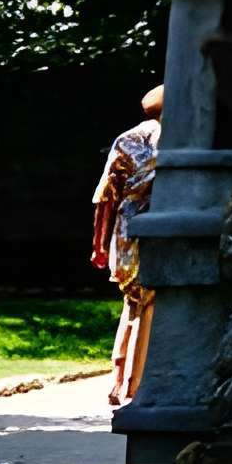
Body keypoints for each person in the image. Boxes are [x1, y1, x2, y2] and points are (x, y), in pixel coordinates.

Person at [91, 85, 164, 406]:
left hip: (124, 231)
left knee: (132, 302)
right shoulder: (173, 143)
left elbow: (104, 199)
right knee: (148, 303)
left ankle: (116, 380)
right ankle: (134, 384)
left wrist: (99, 245)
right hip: (149, 230)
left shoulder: (126, 139)